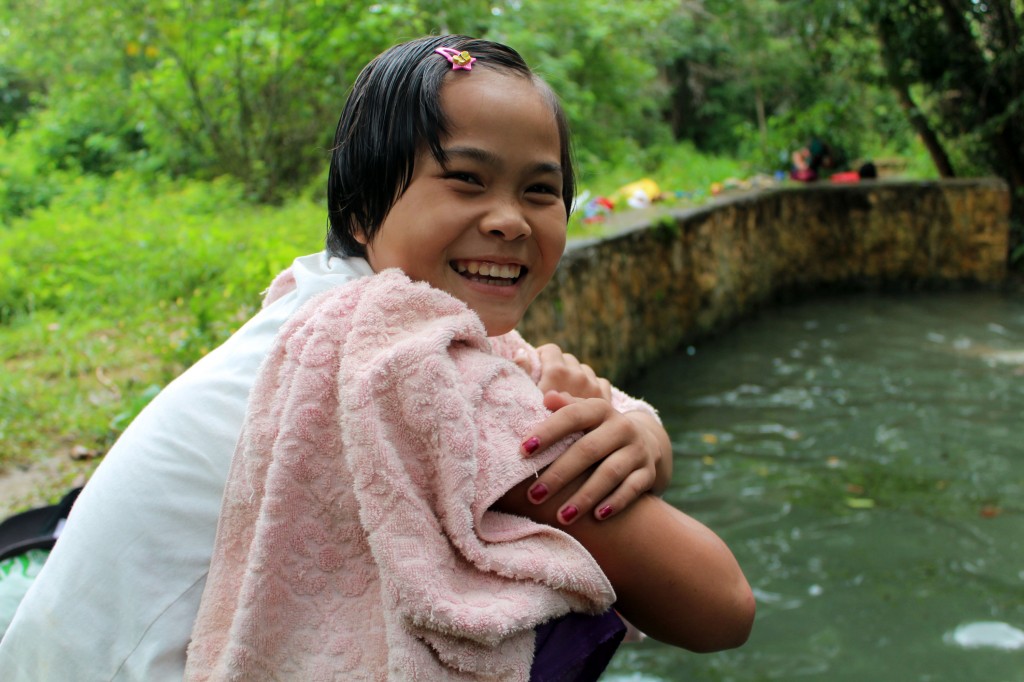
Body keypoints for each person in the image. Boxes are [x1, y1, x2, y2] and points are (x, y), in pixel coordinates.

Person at [0, 36, 753, 680]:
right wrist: (643, 440)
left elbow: (575, 400)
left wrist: (641, 428)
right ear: (361, 210)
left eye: (540, 190)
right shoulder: (401, 359)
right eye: (465, 180)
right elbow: (720, 605)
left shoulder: (320, 305)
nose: (509, 220)